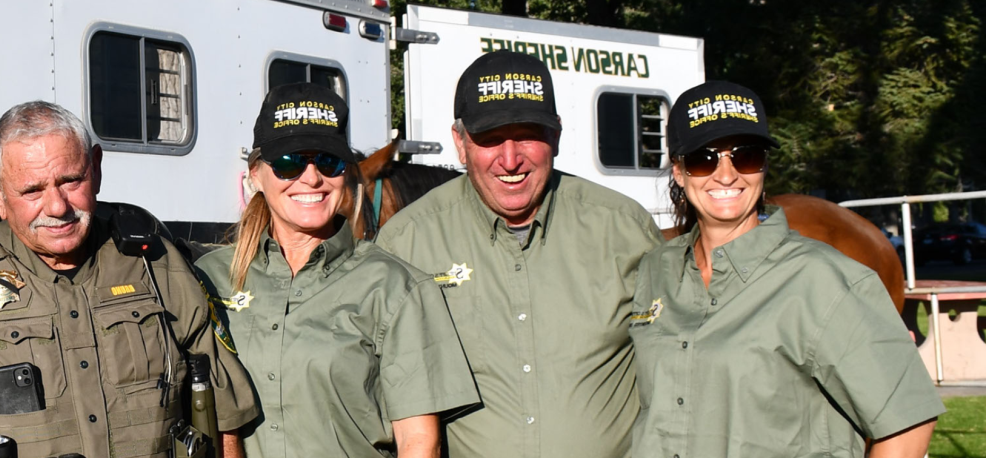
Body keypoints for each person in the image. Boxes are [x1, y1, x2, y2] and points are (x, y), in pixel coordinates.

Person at [0, 101, 258, 458]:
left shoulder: (154, 263)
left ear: (96, 169)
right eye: (32, 190)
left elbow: (224, 415)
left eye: (71, 181)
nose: (57, 207)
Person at [626, 81, 941, 457]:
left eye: (746, 157)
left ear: (763, 167)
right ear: (678, 171)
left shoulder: (824, 279)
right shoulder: (653, 272)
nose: (726, 175)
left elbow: (907, 421)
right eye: (703, 159)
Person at [375, 50, 663, 458]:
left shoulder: (625, 229)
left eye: (527, 134)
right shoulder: (407, 242)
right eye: (490, 139)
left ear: (557, 136)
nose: (510, 160)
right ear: (460, 142)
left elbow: (676, 375)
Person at [196, 83, 478, 458]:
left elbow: (419, 443)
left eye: (328, 161)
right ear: (256, 175)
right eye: (289, 162)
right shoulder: (209, 279)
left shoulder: (397, 286)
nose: (311, 177)